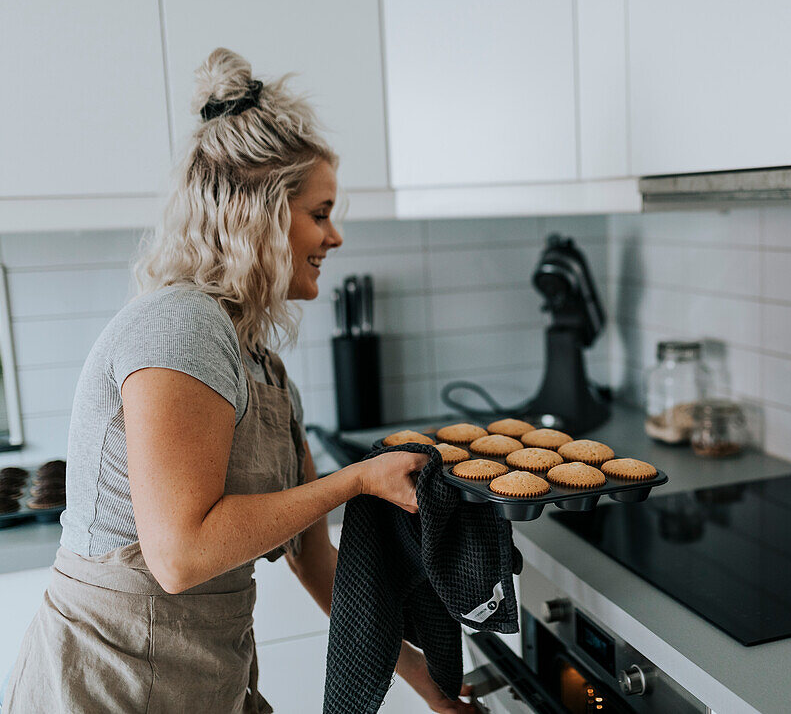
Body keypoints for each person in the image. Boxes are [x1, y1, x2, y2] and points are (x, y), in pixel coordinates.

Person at [2, 48, 476, 714]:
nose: (335, 237)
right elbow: (181, 553)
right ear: (260, 214)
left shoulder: (259, 361)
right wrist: (356, 480)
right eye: (321, 212)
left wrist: (428, 682)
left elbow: (315, 560)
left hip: (203, 679)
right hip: (107, 683)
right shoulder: (180, 329)